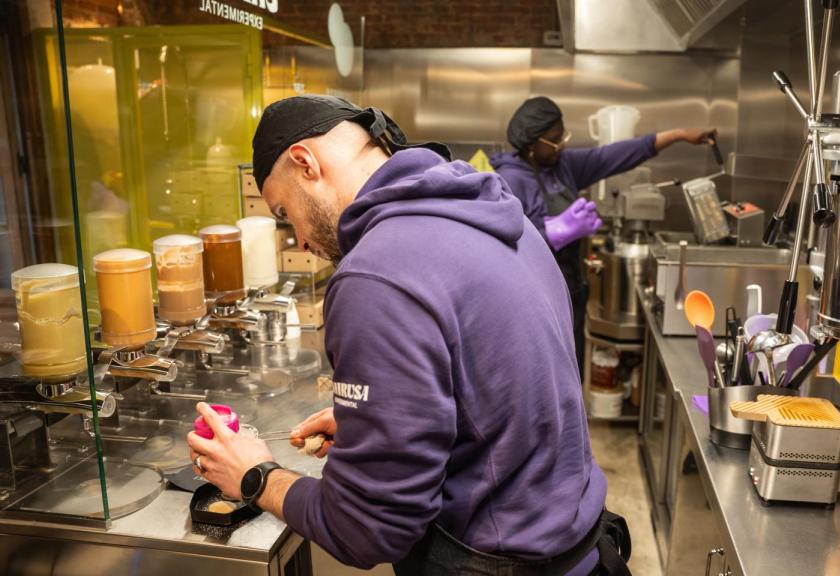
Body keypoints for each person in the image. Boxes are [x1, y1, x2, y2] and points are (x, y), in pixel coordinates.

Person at [186, 95, 631, 575]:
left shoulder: (375, 275)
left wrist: (255, 476)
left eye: (283, 212)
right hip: (584, 553)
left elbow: (367, 527)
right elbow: (513, 390)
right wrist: (397, 413)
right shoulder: (501, 214)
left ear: (305, 162)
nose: (300, 240)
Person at [491, 97, 716, 373]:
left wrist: (678, 135)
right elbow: (502, 247)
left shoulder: (562, 166)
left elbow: (612, 156)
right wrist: (555, 233)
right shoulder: (509, 181)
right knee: (541, 373)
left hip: (570, 292)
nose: (562, 144)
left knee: (570, 370)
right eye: (554, 140)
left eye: (562, 135)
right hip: (535, 303)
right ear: (531, 145)